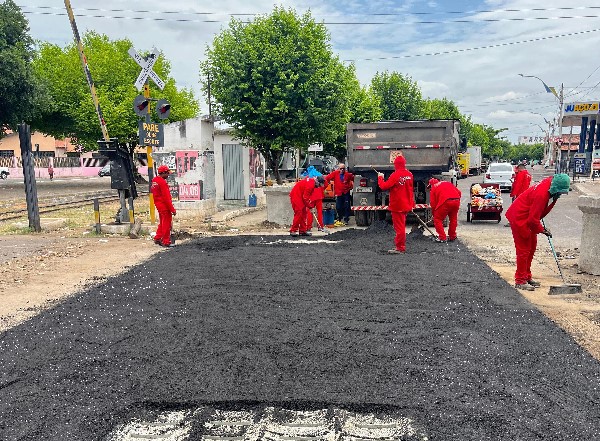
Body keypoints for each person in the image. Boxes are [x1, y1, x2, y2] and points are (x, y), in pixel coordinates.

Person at [504, 173, 571, 291]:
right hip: (520, 218)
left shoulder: (551, 186)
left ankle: (526, 276)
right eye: (560, 192)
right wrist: (543, 230)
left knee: (531, 248)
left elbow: (537, 213)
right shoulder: (542, 193)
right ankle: (520, 280)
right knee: (524, 250)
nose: (560, 194)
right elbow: (532, 220)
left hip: (528, 218)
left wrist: (539, 218)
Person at [377, 155, 415, 254]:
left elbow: (384, 186)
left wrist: (380, 177)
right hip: (406, 204)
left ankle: (400, 247)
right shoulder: (409, 175)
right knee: (401, 225)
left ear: (396, 165)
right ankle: (400, 246)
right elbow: (410, 189)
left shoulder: (395, 175)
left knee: (399, 227)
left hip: (397, 205)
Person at [427, 178, 461, 243]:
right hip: (456, 200)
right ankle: (452, 236)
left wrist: (434, 214)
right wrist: (457, 200)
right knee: (453, 219)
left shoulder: (434, 187)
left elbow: (433, 204)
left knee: (437, 219)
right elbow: (459, 192)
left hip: (445, 202)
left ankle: (442, 237)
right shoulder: (447, 183)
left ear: (431, 185)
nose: (430, 188)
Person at [151, 165, 177, 247]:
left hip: (158, 205)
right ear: (163, 173)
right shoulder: (162, 182)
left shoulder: (155, 181)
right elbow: (166, 198)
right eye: (167, 173)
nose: (168, 175)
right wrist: (172, 209)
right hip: (164, 206)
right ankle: (166, 241)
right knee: (166, 224)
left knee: (162, 222)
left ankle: (158, 238)